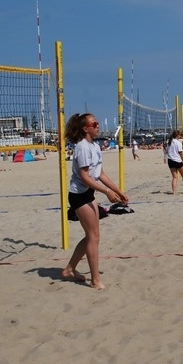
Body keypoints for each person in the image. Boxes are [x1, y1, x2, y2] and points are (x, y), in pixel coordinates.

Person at [61, 113, 129, 290]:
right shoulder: (82, 147)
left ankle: (69, 269)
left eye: (98, 123)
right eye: (95, 123)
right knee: (93, 237)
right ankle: (95, 280)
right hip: (78, 195)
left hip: (88, 193)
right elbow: (84, 177)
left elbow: (100, 174)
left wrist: (118, 191)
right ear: (86, 128)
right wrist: (106, 192)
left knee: (93, 236)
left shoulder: (95, 146)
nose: (98, 126)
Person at [167, 129, 183, 195]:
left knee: (175, 177)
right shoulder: (178, 143)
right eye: (180, 134)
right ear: (177, 135)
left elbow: (167, 150)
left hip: (170, 160)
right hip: (177, 160)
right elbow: (181, 153)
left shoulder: (169, 141)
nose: (181, 136)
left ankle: (174, 192)